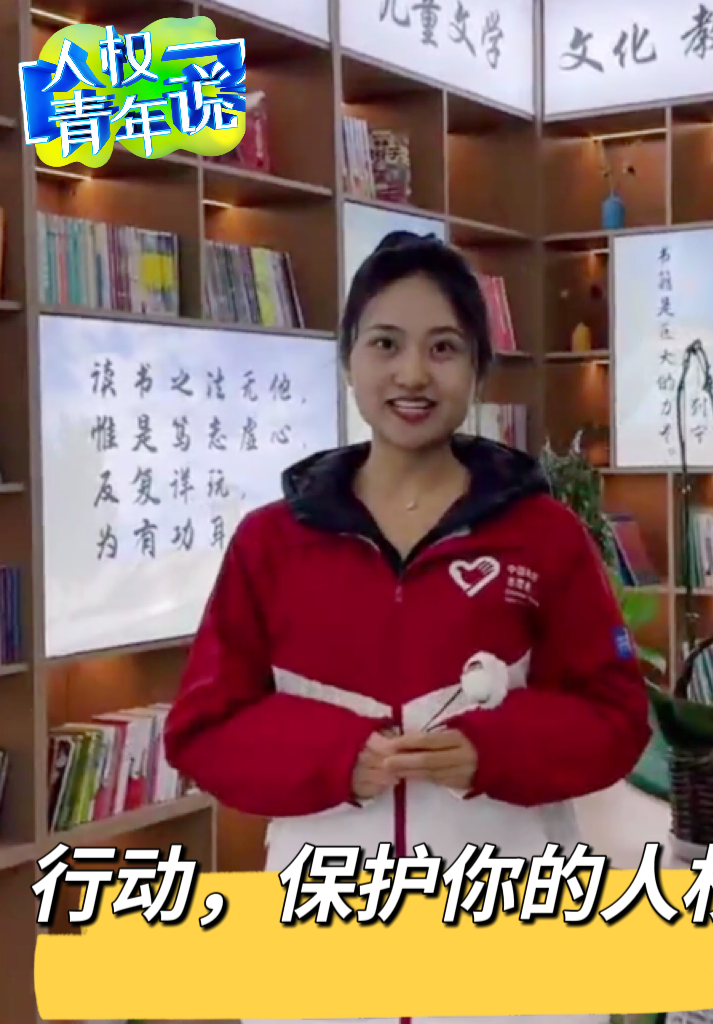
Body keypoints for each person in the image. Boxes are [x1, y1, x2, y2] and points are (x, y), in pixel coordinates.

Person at [163, 231, 651, 1024]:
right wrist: (338, 758)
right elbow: (204, 729)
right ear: (349, 358)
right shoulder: (272, 541)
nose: (414, 374)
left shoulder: (543, 535)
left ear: (478, 367)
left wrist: (491, 750)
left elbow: (616, 718)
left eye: (444, 347)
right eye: (386, 343)